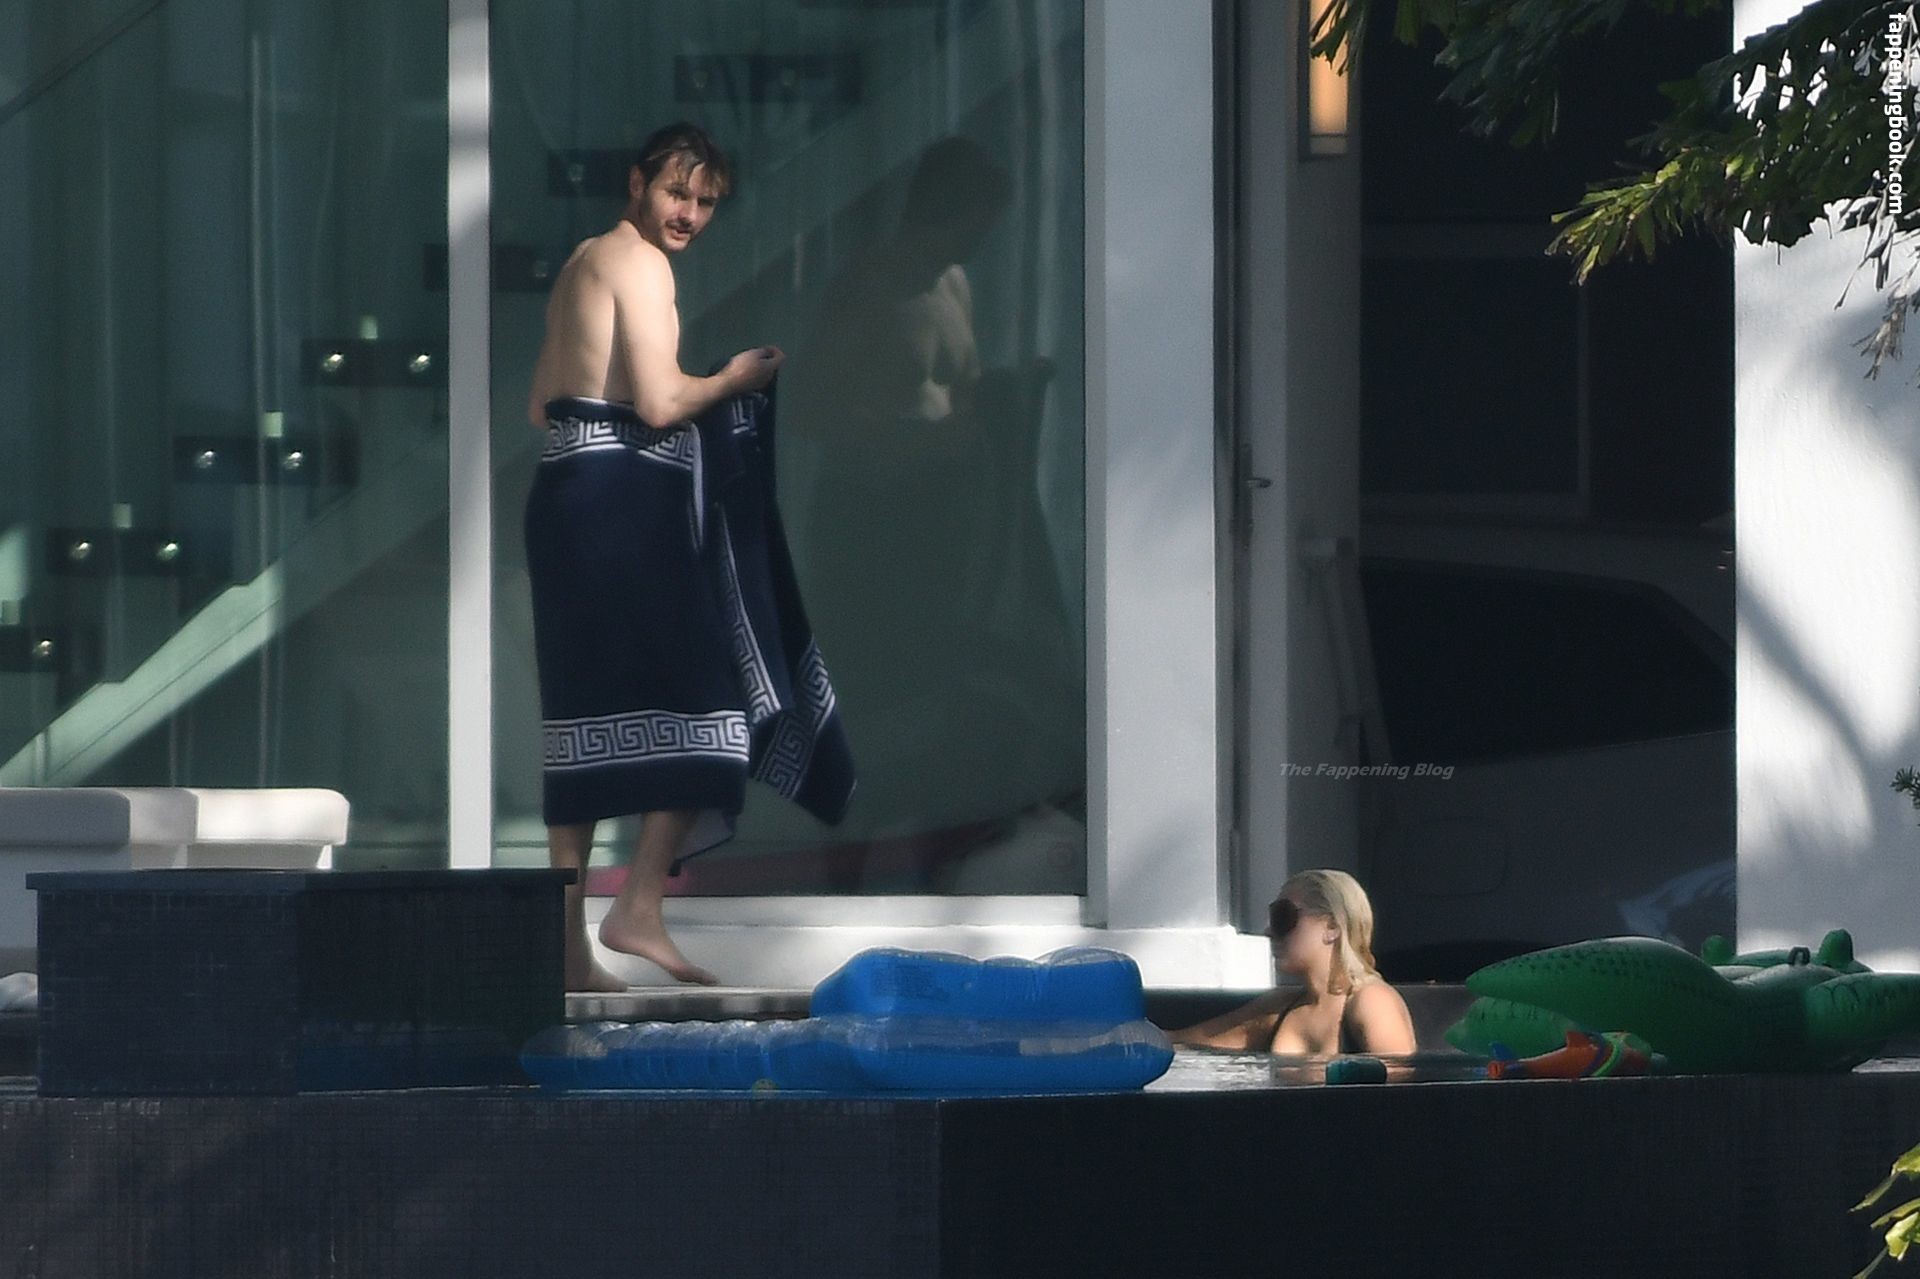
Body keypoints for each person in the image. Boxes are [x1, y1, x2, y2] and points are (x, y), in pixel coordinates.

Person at [521, 121, 793, 991]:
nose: (690, 214)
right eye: (678, 192)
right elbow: (661, 401)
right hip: (618, 505)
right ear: (638, 182)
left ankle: (570, 949)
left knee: (582, 721)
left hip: (566, 492)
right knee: (714, 707)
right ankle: (637, 904)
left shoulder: (582, 261)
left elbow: (541, 404)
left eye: (705, 202)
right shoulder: (640, 264)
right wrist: (737, 378)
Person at [1169, 869, 1417, 1056]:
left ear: (1332, 926)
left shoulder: (1371, 1000)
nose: (1269, 931)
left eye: (1282, 916)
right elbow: (1192, 1040)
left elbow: (1398, 1093)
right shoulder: (1280, 1006)